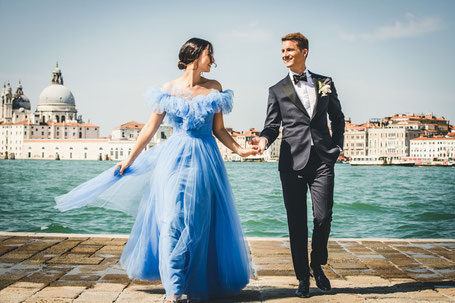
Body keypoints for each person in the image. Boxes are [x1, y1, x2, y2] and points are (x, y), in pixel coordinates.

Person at [55, 37, 257, 303]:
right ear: (195, 57)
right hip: (174, 158)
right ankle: (174, 290)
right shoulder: (168, 89)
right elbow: (149, 129)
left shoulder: (215, 88)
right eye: (210, 55)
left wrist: (241, 151)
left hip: (206, 159)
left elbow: (218, 129)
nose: (213, 60)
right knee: (172, 218)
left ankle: (196, 282)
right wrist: (129, 160)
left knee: (199, 221)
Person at [251, 32, 345, 298]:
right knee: (296, 223)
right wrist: (263, 141)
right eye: (282, 51)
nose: (285, 55)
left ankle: (317, 262)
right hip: (291, 163)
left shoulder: (325, 82)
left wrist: (337, 147)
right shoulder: (276, 90)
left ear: (304, 52)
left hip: (323, 160)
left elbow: (338, 118)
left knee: (323, 216)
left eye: (290, 50)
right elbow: (271, 125)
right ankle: (302, 277)